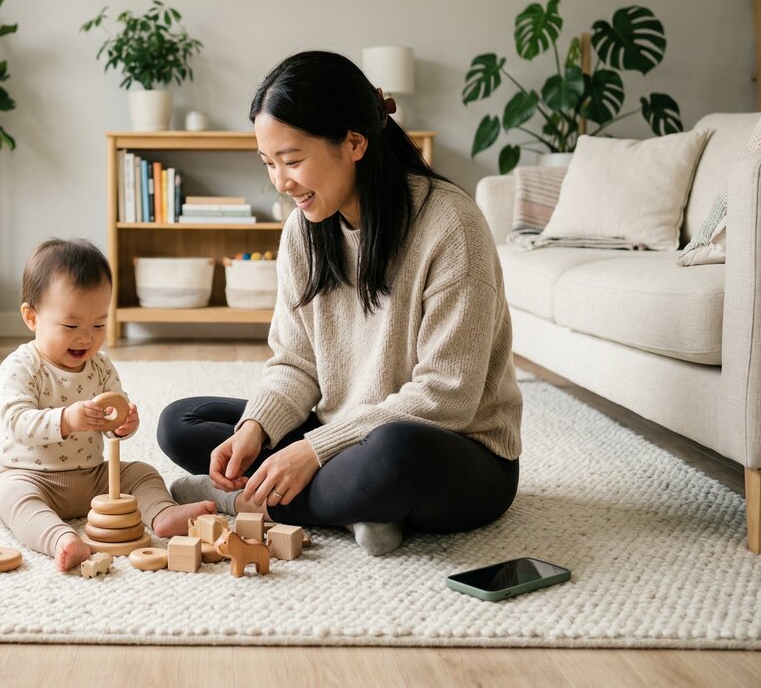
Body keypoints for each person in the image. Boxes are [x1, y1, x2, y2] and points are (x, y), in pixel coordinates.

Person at [161, 51, 523, 556]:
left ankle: (250, 501)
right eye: (268, 163)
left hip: (456, 451)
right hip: (346, 431)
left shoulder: (450, 226)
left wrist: (313, 450)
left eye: (291, 160)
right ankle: (360, 507)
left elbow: (447, 397)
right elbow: (295, 362)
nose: (280, 182)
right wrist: (256, 429)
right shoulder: (303, 233)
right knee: (182, 423)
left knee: (393, 455)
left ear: (354, 142)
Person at [0, 238, 214, 571]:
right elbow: (17, 422)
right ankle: (60, 539)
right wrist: (67, 419)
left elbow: (113, 418)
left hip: (94, 478)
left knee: (141, 473)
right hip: (32, 476)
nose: (86, 337)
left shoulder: (101, 366)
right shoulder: (21, 366)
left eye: (98, 324)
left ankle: (162, 515)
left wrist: (123, 425)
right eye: (70, 326)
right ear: (31, 317)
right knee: (9, 499)